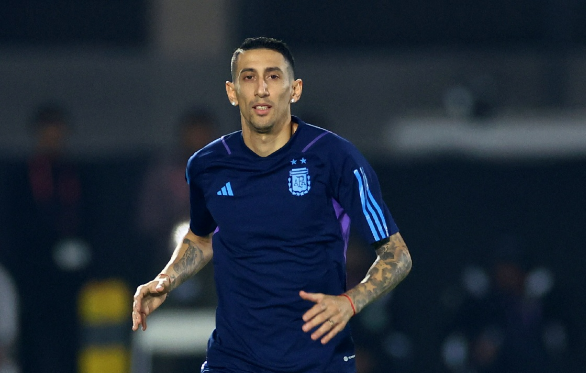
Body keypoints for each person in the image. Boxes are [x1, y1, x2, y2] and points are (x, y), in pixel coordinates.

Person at [132, 37, 412, 373]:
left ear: (295, 90)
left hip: (317, 361)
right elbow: (202, 238)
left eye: (273, 76)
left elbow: (397, 254)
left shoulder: (336, 158)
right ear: (232, 92)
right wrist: (165, 280)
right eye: (249, 77)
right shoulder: (207, 165)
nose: (261, 88)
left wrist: (352, 301)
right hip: (233, 360)